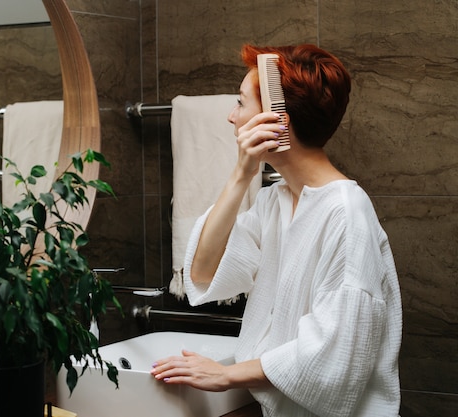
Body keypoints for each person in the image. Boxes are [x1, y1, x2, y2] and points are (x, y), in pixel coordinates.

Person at [150, 44, 403, 417]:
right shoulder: (274, 202)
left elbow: (334, 352)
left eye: (240, 103)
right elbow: (202, 273)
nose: (231, 117)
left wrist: (227, 374)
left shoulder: (346, 212)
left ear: (276, 121)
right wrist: (241, 176)